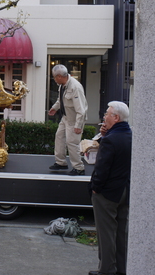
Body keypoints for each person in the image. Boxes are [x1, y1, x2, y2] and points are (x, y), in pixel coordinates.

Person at [88, 101, 131, 275]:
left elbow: (102, 168)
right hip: (125, 191)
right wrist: (104, 135)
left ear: (116, 117)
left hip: (107, 193)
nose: (104, 116)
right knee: (121, 233)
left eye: (107, 113)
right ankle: (122, 269)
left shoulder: (110, 140)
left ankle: (106, 270)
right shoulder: (130, 135)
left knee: (106, 233)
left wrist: (95, 188)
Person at [48, 64, 88, 175]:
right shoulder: (62, 85)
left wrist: (78, 126)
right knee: (59, 137)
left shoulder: (75, 87)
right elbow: (60, 100)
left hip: (75, 120)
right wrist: (54, 108)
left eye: (54, 77)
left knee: (72, 143)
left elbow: (81, 110)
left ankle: (79, 168)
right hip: (66, 117)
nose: (54, 79)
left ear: (59, 76)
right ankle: (61, 163)